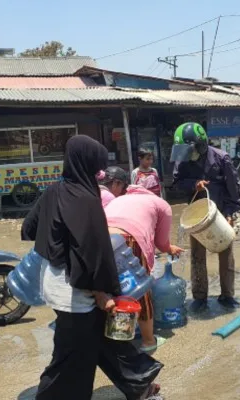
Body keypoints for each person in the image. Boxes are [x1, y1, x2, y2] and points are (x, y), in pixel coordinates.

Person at [21, 136, 163, 400]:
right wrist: (102, 292)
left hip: (53, 283)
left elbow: (29, 230)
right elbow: (90, 252)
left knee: (105, 339)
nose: (99, 175)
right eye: (96, 168)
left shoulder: (53, 191)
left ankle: (141, 386)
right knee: (70, 358)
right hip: (77, 291)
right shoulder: (86, 199)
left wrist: (55, 239)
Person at [103, 180, 184, 353]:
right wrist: (170, 248)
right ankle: (148, 341)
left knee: (111, 290)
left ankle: (117, 337)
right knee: (139, 290)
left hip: (100, 239)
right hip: (127, 240)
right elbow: (162, 243)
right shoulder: (161, 204)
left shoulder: (119, 199)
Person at [170, 122, 240, 312]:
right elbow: (177, 183)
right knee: (197, 256)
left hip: (220, 214)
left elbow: (234, 190)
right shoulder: (182, 158)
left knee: (226, 255)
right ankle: (200, 296)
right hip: (197, 216)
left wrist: (230, 213)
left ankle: (227, 295)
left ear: (201, 144)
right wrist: (194, 184)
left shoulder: (221, 158)